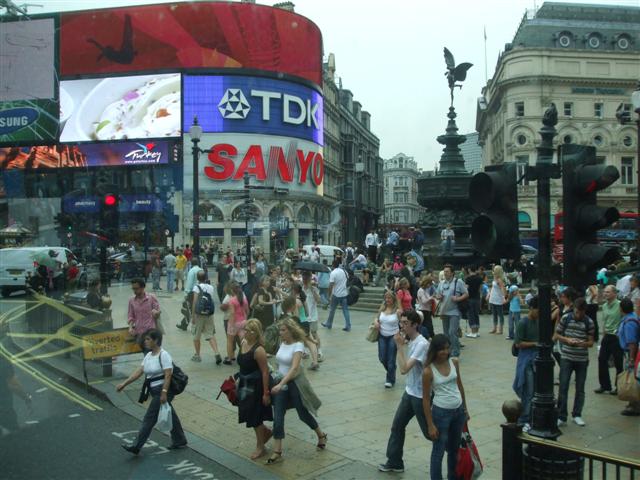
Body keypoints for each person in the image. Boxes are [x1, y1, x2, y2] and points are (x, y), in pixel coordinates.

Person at [117, 329, 187, 454]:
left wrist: (164, 392)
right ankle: (180, 440)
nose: (145, 341)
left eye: (148, 339)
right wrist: (124, 384)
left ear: (156, 340)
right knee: (170, 414)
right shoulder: (149, 356)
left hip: (163, 390)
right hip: (154, 391)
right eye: (145, 339)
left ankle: (136, 446)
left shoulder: (164, 355)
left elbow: (168, 375)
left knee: (149, 418)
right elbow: (139, 372)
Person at [268, 318, 327, 465]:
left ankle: (321, 435)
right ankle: (277, 451)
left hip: (294, 384)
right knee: (278, 415)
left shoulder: (298, 345)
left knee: (302, 413)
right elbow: (279, 362)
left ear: (290, 331)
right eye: (280, 330)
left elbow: (294, 368)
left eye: (283, 330)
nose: (280, 333)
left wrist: (280, 384)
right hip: (281, 383)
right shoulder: (282, 343)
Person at [378, 310, 430, 473]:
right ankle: (394, 461)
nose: (402, 326)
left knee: (430, 433)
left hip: (421, 396)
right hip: (410, 392)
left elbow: (404, 369)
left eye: (405, 323)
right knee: (397, 425)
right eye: (401, 322)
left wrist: (399, 347)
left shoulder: (421, 344)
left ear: (415, 325)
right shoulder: (411, 340)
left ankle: (456, 450)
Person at [422, 334, 469, 480]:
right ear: (434, 350)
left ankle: (453, 477)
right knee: (438, 450)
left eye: (447, 348)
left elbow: (460, 385)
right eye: (442, 349)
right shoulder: (428, 371)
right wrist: (430, 425)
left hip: (458, 411)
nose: (445, 352)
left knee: (454, 450)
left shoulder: (454, 362)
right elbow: (425, 399)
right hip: (441, 413)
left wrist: (465, 409)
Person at [554, 298, 595, 427]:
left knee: (580, 388)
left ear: (584, 311)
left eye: (580, 313)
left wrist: (581, 343)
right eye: (576, 312)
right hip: (566, 357)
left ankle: (577, 414)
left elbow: (591, 342)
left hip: (582, 359)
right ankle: (561, 415)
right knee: (563, 386)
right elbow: (557, 335)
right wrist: (567, 340)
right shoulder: (566, 318)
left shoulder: (589, 322)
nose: (578, 315)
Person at [237, 319, 274, 459]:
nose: (244, 332)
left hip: (256, 387)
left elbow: (265, 372)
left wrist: (266, 393)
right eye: (244, 329)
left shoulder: (259, 350)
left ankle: (260, 447)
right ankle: (266, 433)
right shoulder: (243, 342)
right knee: (248, 413)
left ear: (254, 333)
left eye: (247, 330)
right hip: (245, 385)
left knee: (255, 417)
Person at [512, 296, 539, 432]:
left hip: (537, 358)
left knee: (535, 390)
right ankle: (525, 418)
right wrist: (534, 344)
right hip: (526, 358)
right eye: (538, 310)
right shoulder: (523, 323)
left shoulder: (540, 321)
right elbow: (518, 343)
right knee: (528, 390)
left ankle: (531, 416)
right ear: (532, 309)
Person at [595, 285, 623, 395]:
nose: (605, 294)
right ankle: (604, 385)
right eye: (605, 292)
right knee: (602, 359)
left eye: (608, 292)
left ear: (614, 293)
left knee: (618, 362)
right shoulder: (605, 306)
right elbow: (605, 322)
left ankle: (618, 386)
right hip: (607, 336)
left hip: (617, 337)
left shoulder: (620, 305)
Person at [435, 264, 468, 358]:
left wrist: (458, 298)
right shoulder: (441, 283)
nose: (445, 273)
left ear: (452, 273)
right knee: (446, 334)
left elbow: (466, 294)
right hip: (444, 310)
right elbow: (437, 295)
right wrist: (439, 297)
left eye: (447, 271)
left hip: (455, 311)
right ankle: (448, 350)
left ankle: (456, 351)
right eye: (444, 271)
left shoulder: (458, 282)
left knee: (452, 332)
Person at [191, 270, 222, 365]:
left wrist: (193, 316)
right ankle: (217, 353)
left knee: (196, 335)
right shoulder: (211, 287)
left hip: (199, 315)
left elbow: (195, 302)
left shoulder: (196, 288)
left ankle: (197, 355)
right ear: (206, 277)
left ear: (197, 278)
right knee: (210, 334)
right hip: (209, 314)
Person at [617, 298, 640, 416]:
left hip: (631, 354)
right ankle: (633, 403)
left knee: (632, 379)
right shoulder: (631, 317)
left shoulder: (630, 322)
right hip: (630, 353)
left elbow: (632, 343)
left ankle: (635, 404)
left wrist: (631, 359)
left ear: (621, 308)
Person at [374, 292, 401, 388]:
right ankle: (392, 369)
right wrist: (376, 322)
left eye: (389, 298)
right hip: (382, 336)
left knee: (390, 359)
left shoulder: (397, 311)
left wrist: (401, 335)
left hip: (393, 336)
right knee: (382, 358)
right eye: (386, 298)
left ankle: (390, 379)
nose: (387, 300)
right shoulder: (382, 308)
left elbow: (402, 323)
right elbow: (376, 318)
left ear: (393, 299)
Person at [127, 278, 161, 354]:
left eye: (136, 288)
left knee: (152, 355)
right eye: (133, 289)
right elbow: (130, 316)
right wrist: (130, 327)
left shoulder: (151, 298)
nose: (134, 291)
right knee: (147, 356)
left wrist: (156, 313)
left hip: (151, 333)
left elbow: (158, 311)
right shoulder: (131, 300)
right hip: (140, 334)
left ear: (143, 287)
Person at [321, 260, 351, 332]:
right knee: (345, 310)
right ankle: (348, 325)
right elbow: (347, 280)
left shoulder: (333, 273)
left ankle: (329, 323)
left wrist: (329, 295)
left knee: (332, 310)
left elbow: (331, 285)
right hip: (344, 293)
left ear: (333, 265)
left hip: (336, 294)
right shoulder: (344, 271)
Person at [225, 281, 249, 365]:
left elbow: (232, 313)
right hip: (243, 322)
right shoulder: (244, 299)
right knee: (243, 340)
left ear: (232, 290)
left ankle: (229, 358)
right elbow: (247, 310)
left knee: (230, 341)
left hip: (234, 323)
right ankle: (244, 357)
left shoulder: (232, 300)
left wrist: (231, 324)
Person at [488, 265, 507, 335]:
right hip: (493, 297)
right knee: (494, 314)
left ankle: (500, 329)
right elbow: (492, 287)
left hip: (498, 298)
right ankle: (494, 328)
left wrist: (504, 297)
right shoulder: (494, 278)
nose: (494, 270)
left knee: (500, 314)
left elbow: (502, 288)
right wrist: (489, 294)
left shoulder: (499, 279)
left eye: (495, 269)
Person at [464, 266, 483, 338]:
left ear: (469, 269)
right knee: (476, 314)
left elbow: (466, 289)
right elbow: (480, 289)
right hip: (477, 298)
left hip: (470, 298)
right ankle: (477, 331)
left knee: (471, 315)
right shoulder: (479, 278)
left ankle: (473, 332)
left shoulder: (468, 279)